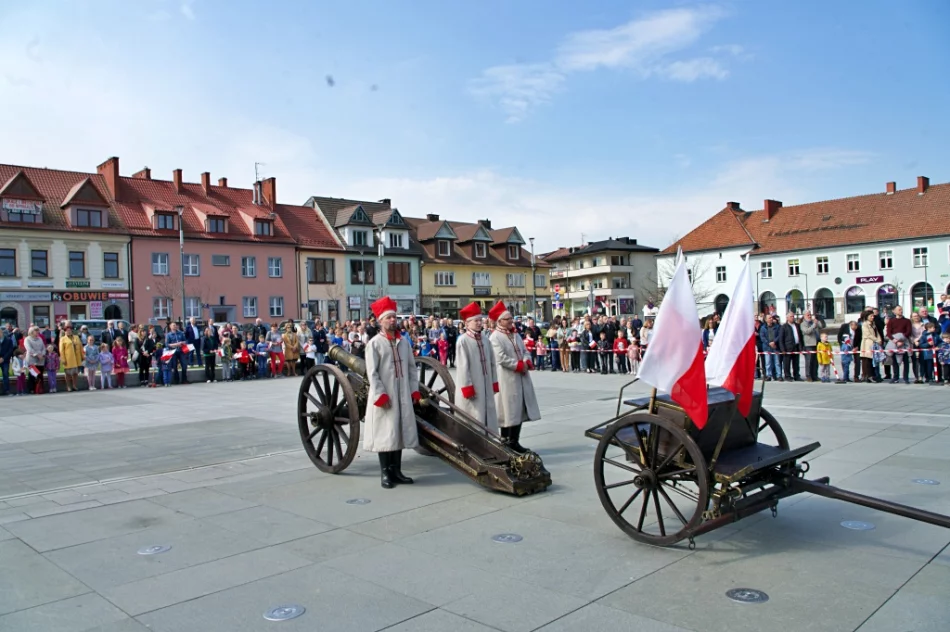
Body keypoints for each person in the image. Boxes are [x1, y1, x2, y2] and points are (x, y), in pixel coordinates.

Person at [364, 296, 421, 489]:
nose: (392, 321)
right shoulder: (374, 344)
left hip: (402, 394)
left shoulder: (403, 342)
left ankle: (397, 471)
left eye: (394, 317)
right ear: (380, 321)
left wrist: (414, 391)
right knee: (386, 434)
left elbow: (412, 369)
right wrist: (380, 394)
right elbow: (372, 373)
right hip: (385, 396)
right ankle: (385, 473)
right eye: (388, 318)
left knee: (399, 432)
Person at [489, 301, 541, 453]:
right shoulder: (495, 337)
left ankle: (514, 440)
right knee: (508, 411)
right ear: (499, 321)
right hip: (507, 378)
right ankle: (506, 442)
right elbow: (500, 357)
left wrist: (526, 361)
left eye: (511, 319)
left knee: (519, 409)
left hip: (521, 377)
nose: (511, 321)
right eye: (508, 319)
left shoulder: (515, 334)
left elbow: (525, 350)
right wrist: (518, 365)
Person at [454, 302, 499, 432]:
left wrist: (494, 382)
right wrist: (468, 387)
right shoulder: (463, 341)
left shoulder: (485, 339)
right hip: (473, 386)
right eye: (476, 321)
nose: (479, 323)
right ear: (467, 323)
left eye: (480, 320)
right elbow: (463, 367)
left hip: (485, 384)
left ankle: (490, 441)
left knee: (487, 415)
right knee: (474, 415)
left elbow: (492, 363)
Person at [778, 313, 804, 381]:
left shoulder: (797, 325)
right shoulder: (784, 327)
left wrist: (801, 347)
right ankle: (787, 376)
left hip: (796, 347)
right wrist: (782, 349)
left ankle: (797, 376)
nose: (793, 317)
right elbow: (781, 339)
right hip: (787, 348)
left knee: (796, 363)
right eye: (791, 316)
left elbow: (800, 337)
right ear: (787, 318)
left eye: (793, 316)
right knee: (787, 363)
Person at [24, 326, 46, 394]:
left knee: (40, 375)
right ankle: (31, 389)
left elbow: (43, 347)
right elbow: (29, 349)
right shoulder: (27, 339)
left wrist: (42, 354)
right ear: (31, 332)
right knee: (32, 375)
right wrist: (37, 354)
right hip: (32, 360)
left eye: (38, 331)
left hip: (40, 360)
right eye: (35, 331)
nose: (37, 333)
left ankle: (39, 388)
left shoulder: (40, 339)